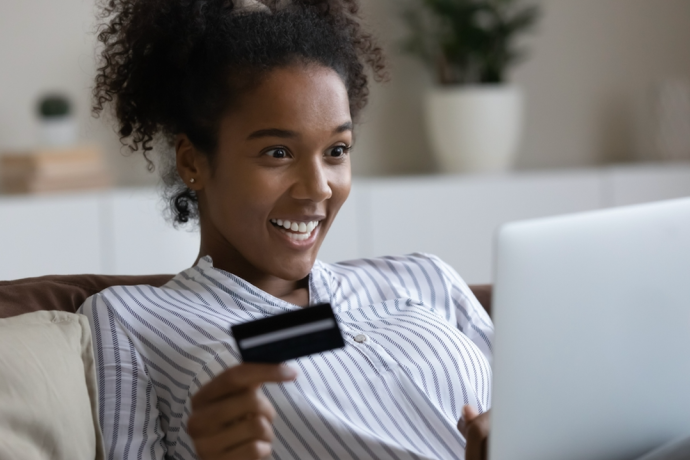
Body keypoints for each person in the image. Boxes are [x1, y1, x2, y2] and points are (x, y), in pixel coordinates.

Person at [78, 0, 494, 458]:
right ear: (192, 161)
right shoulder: (132, 320)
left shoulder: (425, 279)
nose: (318, 188)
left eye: (337, 150)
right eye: (277, 153)